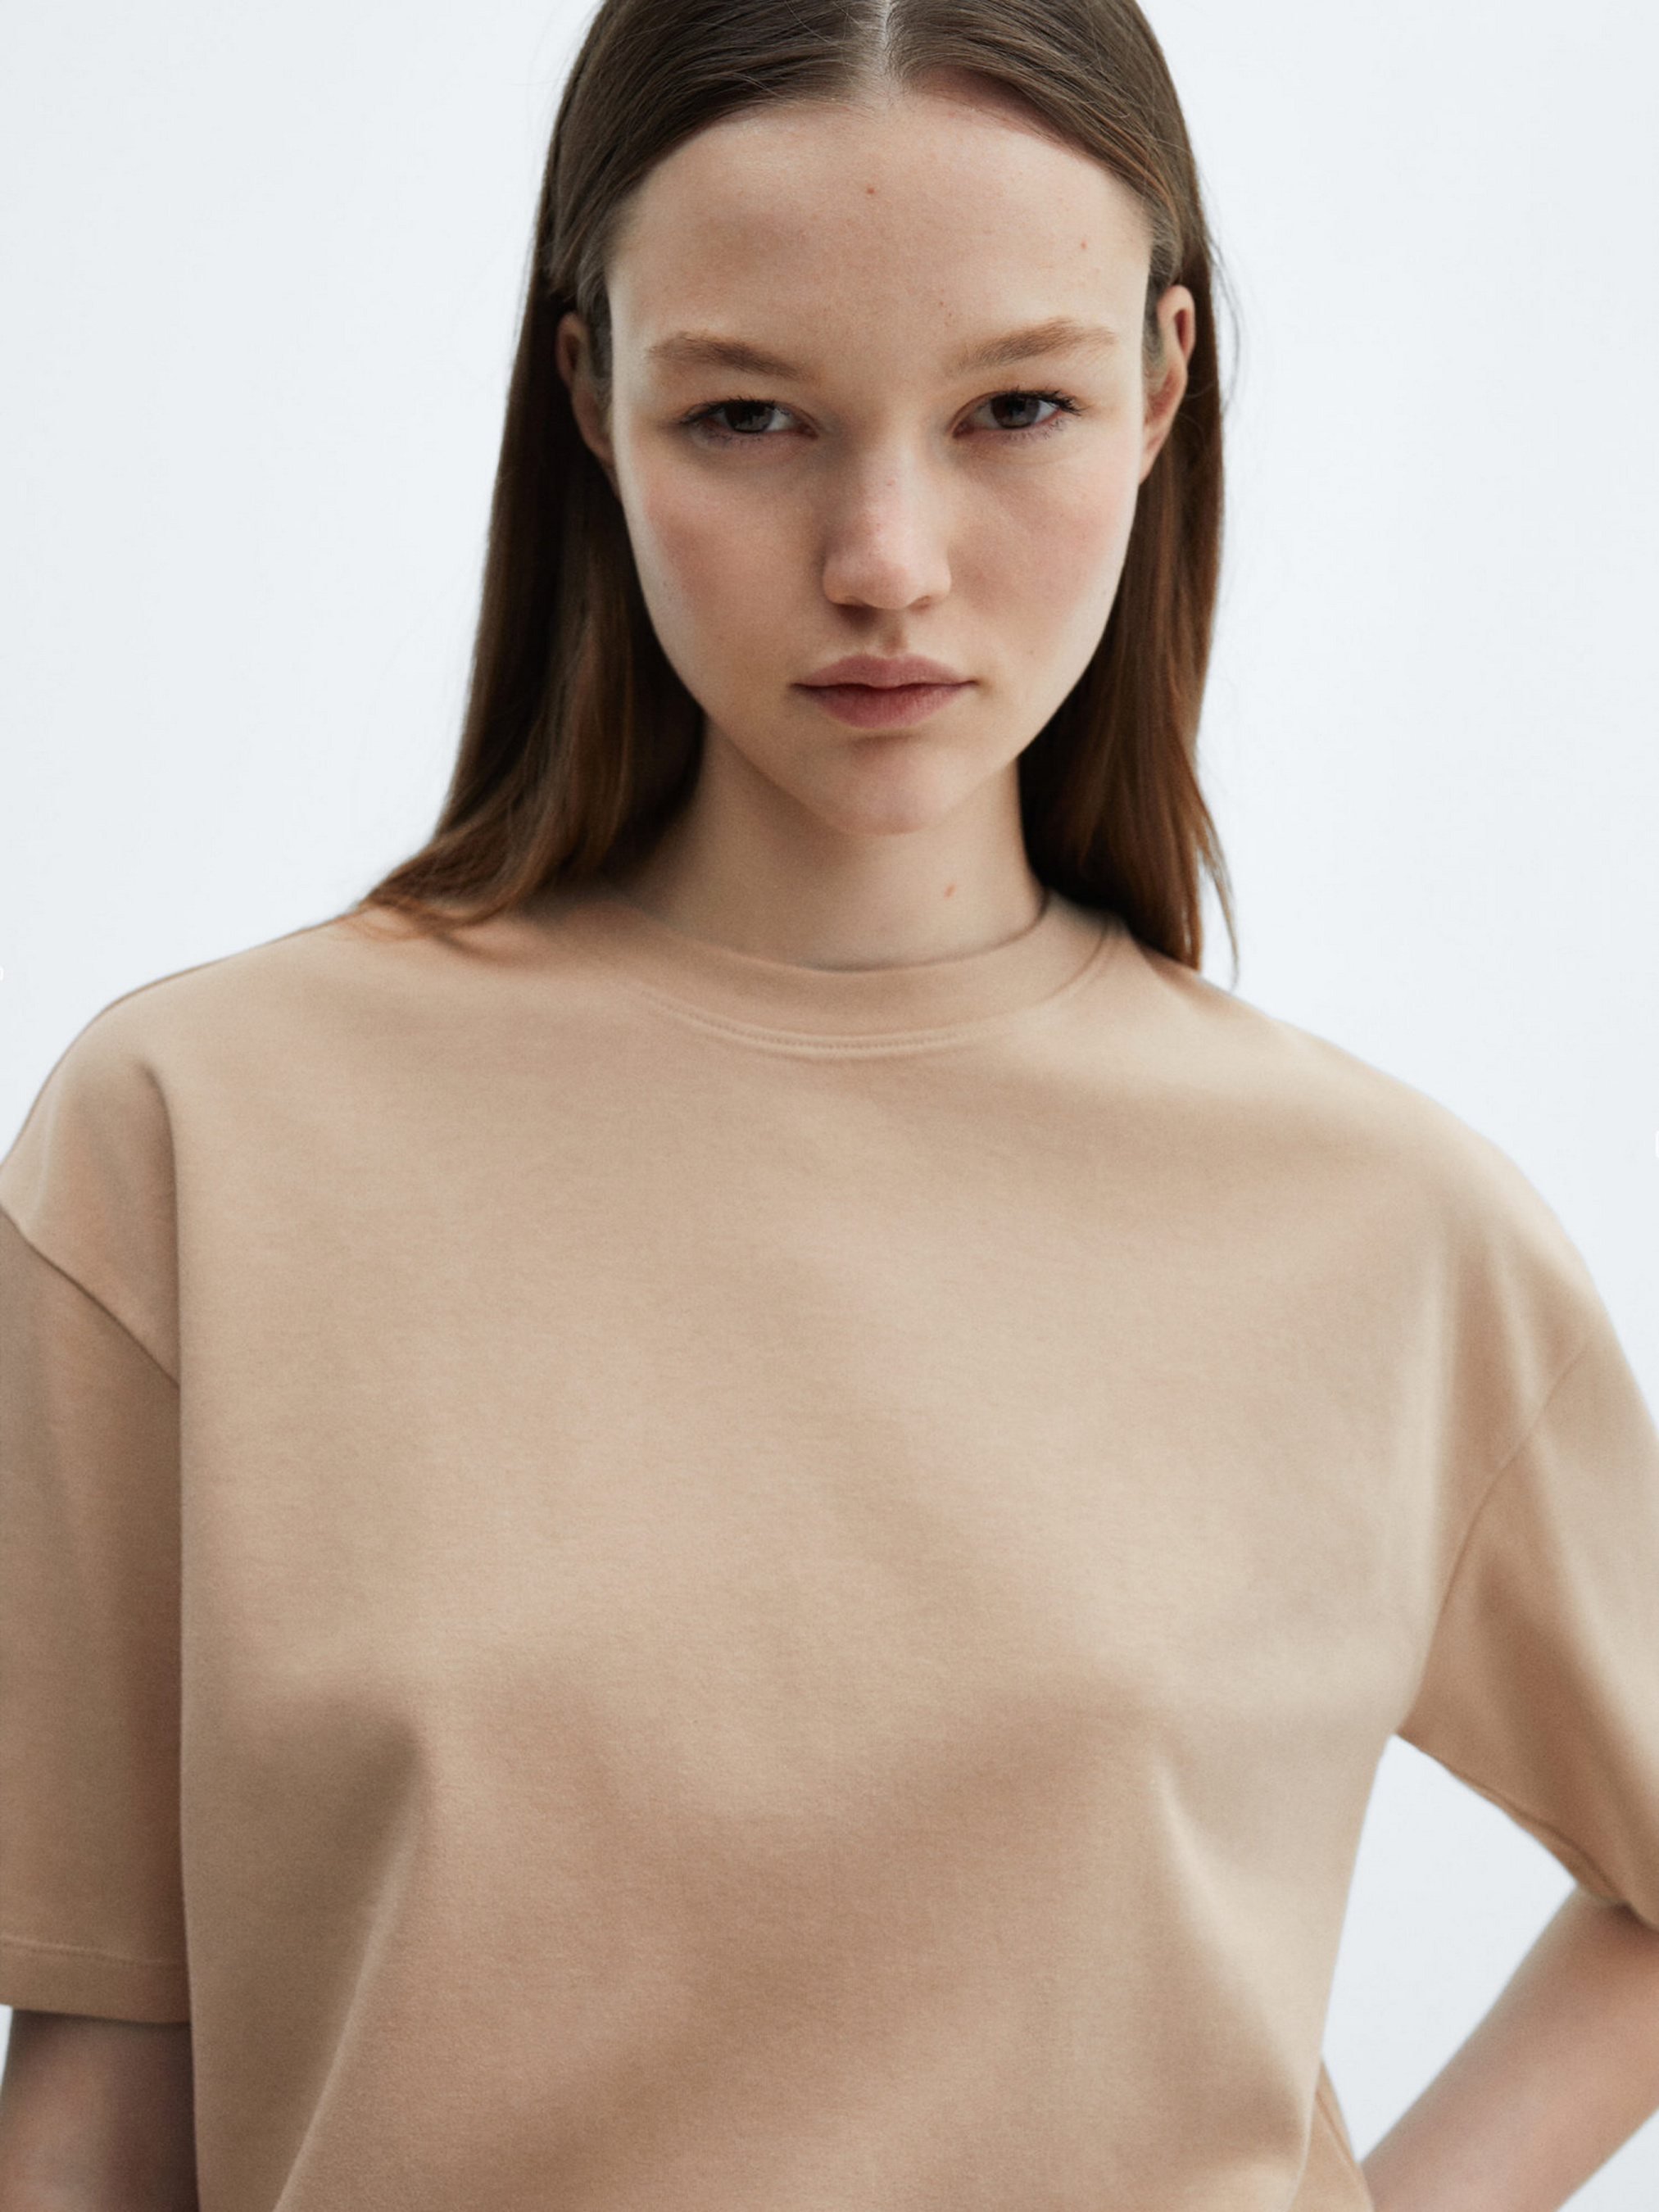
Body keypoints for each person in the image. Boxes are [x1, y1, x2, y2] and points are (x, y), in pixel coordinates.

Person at [2, 0, 1657, 2205]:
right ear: (588, 390)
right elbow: (104, 2091)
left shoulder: (1384, 1227)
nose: (884, 554)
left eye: (1015, 407)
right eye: (751, 414)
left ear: (1162, 384)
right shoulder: (194, 1144)